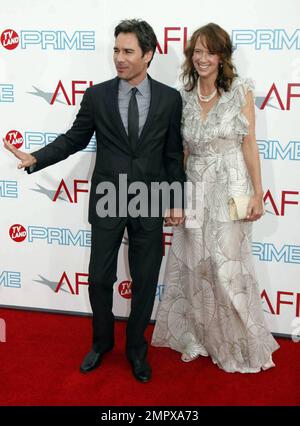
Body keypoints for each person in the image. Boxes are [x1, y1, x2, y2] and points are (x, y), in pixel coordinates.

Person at [3, 19, 185, 383]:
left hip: (150, 197)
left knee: (146, 279)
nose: (119, 58)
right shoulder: (97, 95)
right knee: (100, 277)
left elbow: (172, 155)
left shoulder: (169, 98)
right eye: (116, 50)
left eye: (128, 51)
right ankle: (102, 343)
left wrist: (176, 200)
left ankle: (136, 349)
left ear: (148, 55)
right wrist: (36, 157)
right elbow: (74, 138)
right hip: (107, 196)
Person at [152, 23, 280, 373]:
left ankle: (236, 342)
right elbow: (180, 152)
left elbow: (249, 144)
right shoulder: (184, 96)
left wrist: (257, 192)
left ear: (222, 56)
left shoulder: (241, 91)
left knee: (228, 265)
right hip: (194, 185)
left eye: (209, 51)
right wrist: (174, 197)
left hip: (233, 184)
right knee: (196, 264)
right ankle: (199, 335)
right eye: (196, 51)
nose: (201, 58)